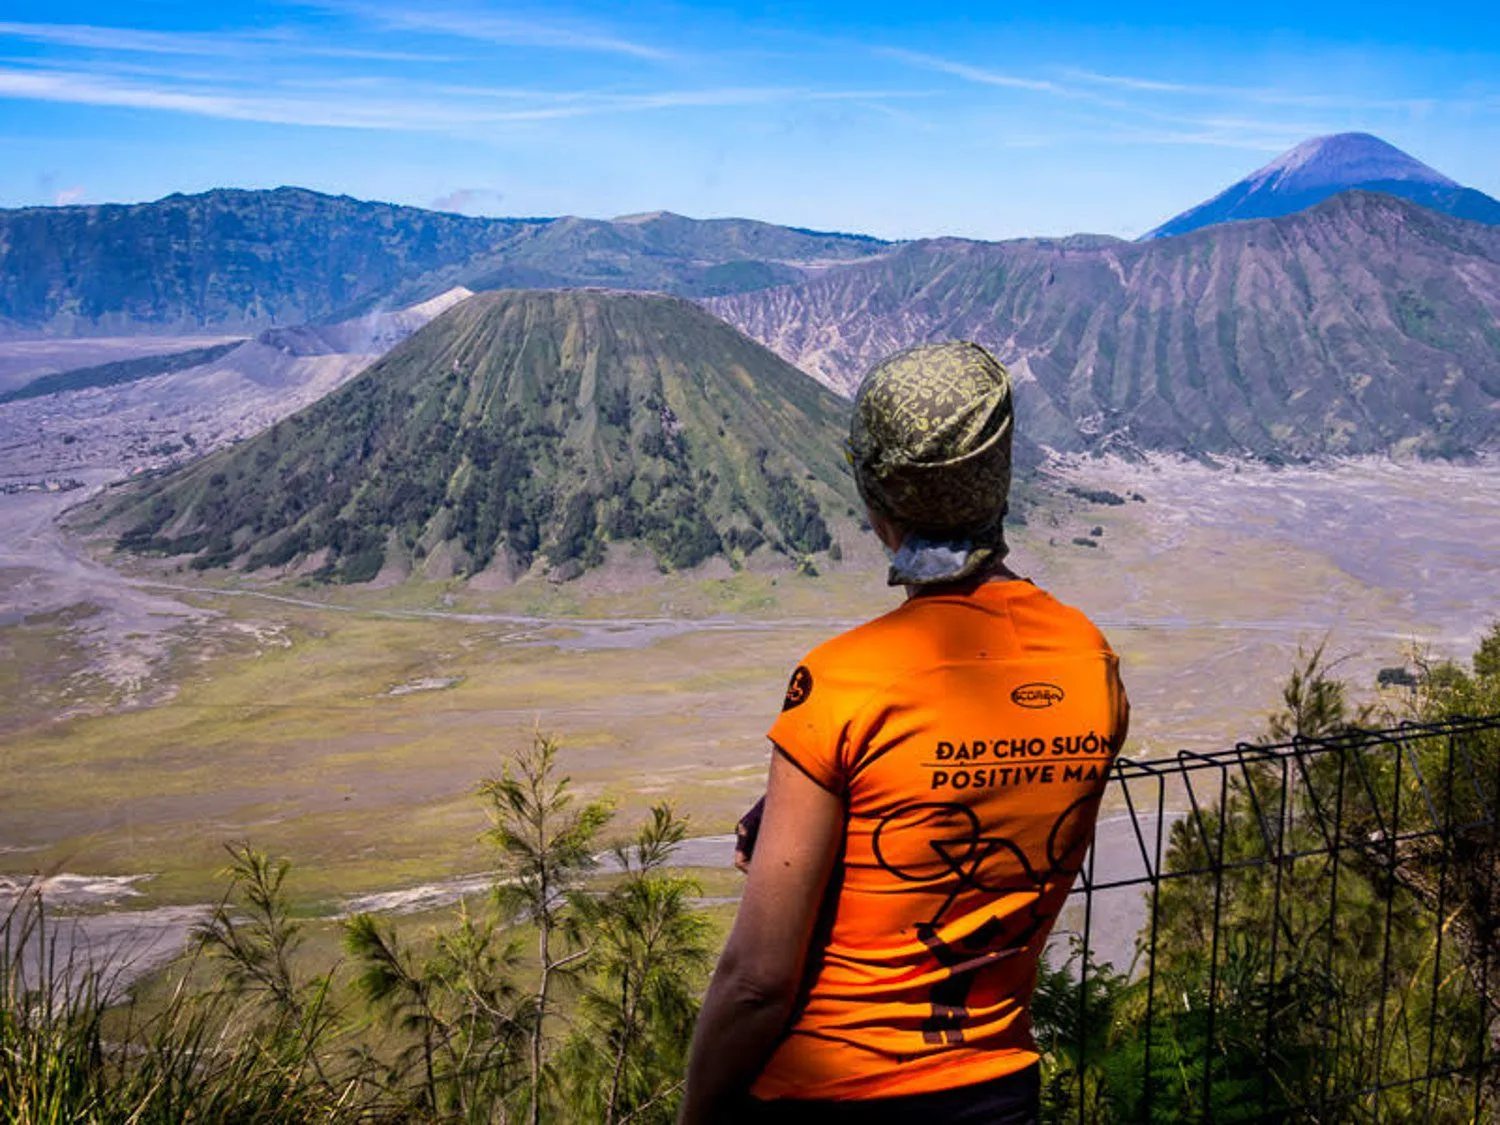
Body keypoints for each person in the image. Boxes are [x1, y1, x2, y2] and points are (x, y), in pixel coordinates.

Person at [678, 342, 1130, 1125]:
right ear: (1001, 476)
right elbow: (974, 788)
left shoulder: (843, 680)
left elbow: (757, 980)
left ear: (878, 502)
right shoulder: (1093, 664)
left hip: (823, 1092)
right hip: (997, 1094)